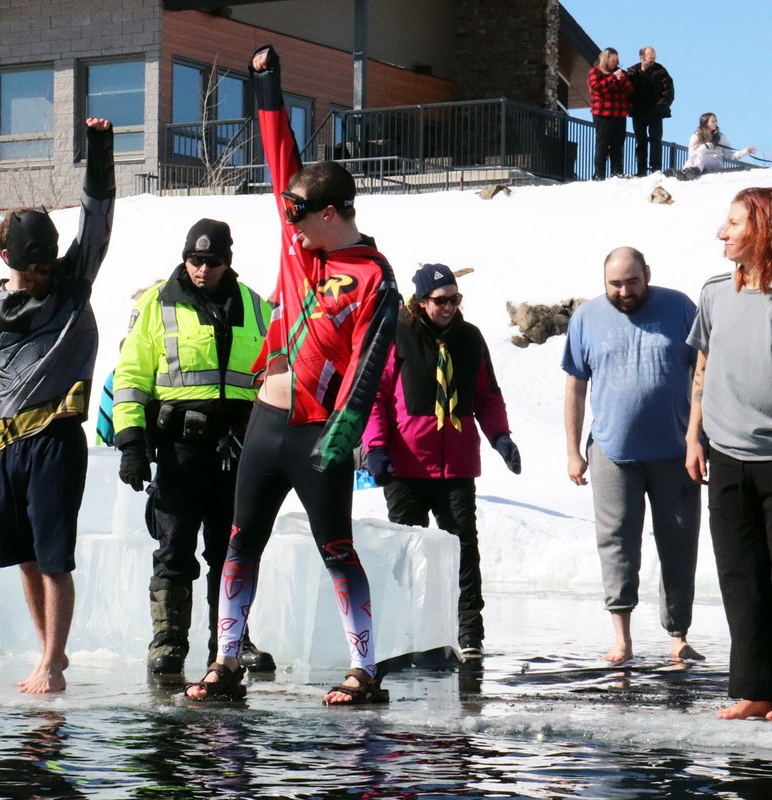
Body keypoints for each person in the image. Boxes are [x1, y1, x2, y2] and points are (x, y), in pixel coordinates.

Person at [185, 45, 399, 705]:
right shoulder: (297, 240)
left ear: (330, 214)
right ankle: (226, 659)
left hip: (319, 433)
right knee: (239, 540)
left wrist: (348, 429)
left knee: (336, 547)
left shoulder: (372, 276)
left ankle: (364, 667)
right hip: (267, 423)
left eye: (300, 217)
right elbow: (281, 153)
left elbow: (368, 362)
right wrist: (265, 82)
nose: (291, 226)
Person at [0, 117, 115, 695]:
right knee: (25, 558)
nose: (41, 276)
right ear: (9, 257)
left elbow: (99, 217)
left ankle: (54, 661)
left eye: (47, 266)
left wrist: (99, 148)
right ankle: (45, 653)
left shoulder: (72, 286)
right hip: (8, 446)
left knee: (55, 555)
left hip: (57, 439)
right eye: (32, 267)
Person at [112, 218, 275, 677]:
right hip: (181, 448)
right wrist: (130, 443)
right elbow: (130, 378)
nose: (202, 268)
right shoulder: (157, 304)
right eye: (195, 259)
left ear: (228, 261)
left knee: (233, 553)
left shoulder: (257, 308)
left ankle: (232, 641)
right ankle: (167, 642)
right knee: (175, 549)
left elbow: (276, 378)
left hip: (239, 450)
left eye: (212, 261)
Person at [363, 264, 520, 662]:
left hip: (457, 466)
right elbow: (377, 398)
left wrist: (500, 437)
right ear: (420, 301)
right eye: (441, 300)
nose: (449, 307)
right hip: (407, 464)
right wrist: (376, 448)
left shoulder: (470, 339)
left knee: (464, 548)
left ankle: (469, 632)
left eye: (455, 299)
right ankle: (405, 632)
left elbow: (487, 395)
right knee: (406, 551)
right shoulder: (397, 333)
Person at [563, 246, 702, 665]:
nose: (624, 291)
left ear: (648, 275)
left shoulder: (680, 308)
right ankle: (622, 640)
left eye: (632, 282)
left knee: (679, 544)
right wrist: (572, 451)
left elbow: (703, 373)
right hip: (612, 452)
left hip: (676, 454)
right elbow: (575, 386)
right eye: (615, 284)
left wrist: (700, 438)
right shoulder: (587, 318)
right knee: (617, 544)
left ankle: (678, 636)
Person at [685, 187, 772, 721]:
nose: (722, 232)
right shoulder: (715, 293)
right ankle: (756, 688)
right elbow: (702, 368)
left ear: (762, 229)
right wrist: (694, 436)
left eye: (734, 222)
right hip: (726, 457)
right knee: (741, 578)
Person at [626, 46, 674, 177]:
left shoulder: (661, 71)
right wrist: (631, 106)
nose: (653, 61)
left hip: (655, 112)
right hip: (638, 112)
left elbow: (669, 90)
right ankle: (641, 169)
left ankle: (656, 169)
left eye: (654, 58)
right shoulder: (632, 72)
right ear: (642, 58)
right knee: (640, 141)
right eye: (650, 59)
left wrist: (661, 106)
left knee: (656, 140)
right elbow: (626, 91)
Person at [588, 47, 633, 181]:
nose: (614, 63)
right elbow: (597, 89)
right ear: (605, 59)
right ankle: (599, 174)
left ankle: (617, 171)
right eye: (612, 60)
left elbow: (630, 90)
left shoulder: (621, 73)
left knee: (618, 144)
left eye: (616, 60)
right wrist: (613, 78)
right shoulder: (595, 71)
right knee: (602, 143)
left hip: (619, 114)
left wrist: (622, 79)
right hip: (602, 113)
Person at [683, 113, 756, 177]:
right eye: (713, 121)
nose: (716, 123)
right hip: (699, 163)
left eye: (716, 121)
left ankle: (694, 171)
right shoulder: (695, 137)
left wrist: (745, 151)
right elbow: (691, 155)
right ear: (705, 123)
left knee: (703, 152)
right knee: (697, 154)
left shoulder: (721, 137)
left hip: (715, 165)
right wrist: (705, 147)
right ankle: (686, 171)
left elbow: (729, 155)